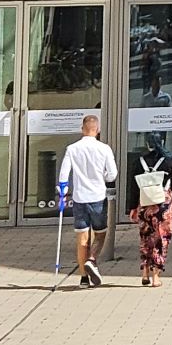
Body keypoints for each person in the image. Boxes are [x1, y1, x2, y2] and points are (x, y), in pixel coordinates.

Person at [61, 114, 119, 287]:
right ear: (97, 130)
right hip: (98, 197)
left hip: (79, 197)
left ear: (82, 129)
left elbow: (64, 174)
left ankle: (83, 278)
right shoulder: (104, 149)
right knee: (100, 233)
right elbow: (112, 175)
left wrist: (63, 192)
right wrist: (103, 176)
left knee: (82, 237)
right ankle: (92, 259)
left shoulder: (72, 149)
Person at [126, 133, 172, 288]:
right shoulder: (169, 161)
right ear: (162, 142)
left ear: (147, 144)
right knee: (161, 239)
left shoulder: (139, 162)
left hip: (144, 205)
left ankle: (145, 272)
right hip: (163, 205)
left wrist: (132, 207)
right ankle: (156, 276)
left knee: (145, 237)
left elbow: (133, 187)